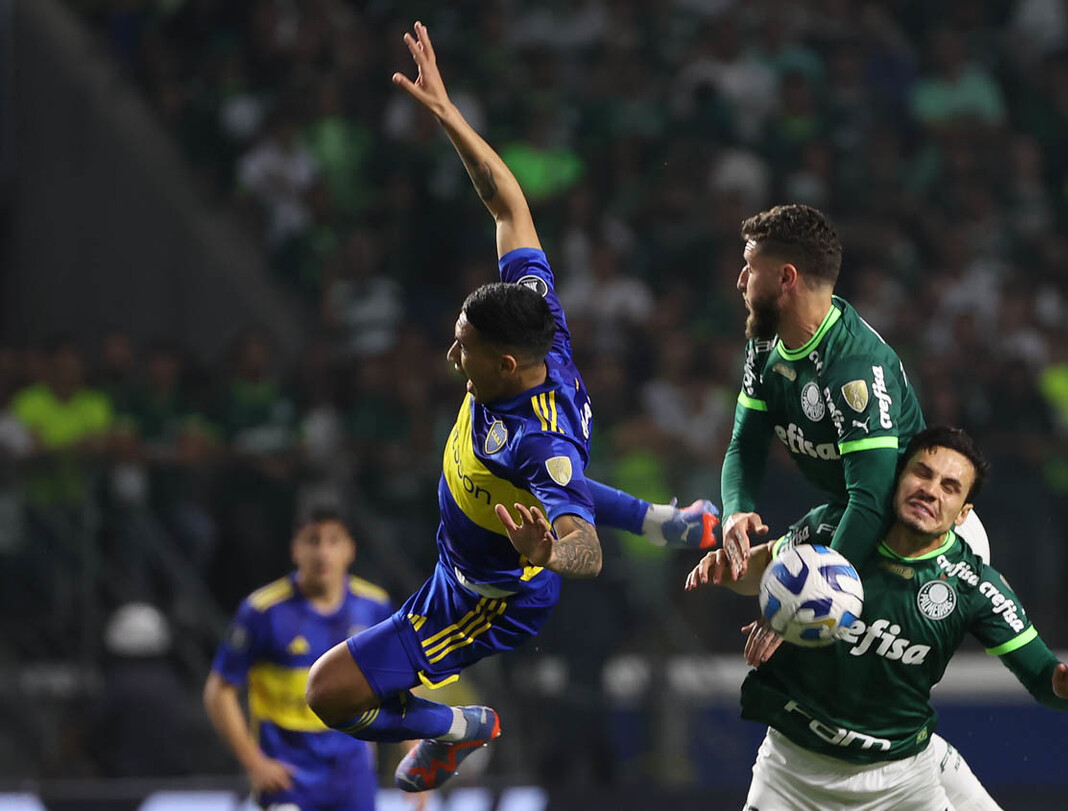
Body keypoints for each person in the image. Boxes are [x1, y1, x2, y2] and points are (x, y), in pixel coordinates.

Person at [304, 21, 713, 794]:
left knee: (330, 694)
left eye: (462, 345)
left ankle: (462, 727)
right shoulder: (536, 316)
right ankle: (665, 521)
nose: (450, 355)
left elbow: (583, 549)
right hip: (482, 534)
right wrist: (450, 117)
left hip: (485, 594)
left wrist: (543, 552)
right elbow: (507, 204)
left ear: (502, 362)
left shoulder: (537, 444)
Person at [688, 427, 1068, 810]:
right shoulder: (835, 527)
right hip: (792, 772)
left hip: (900, 781)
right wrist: (731, 571)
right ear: (897, 477)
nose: (930, 491)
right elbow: (765, 568)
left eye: (949, 487)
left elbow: (1045, 680)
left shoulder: (974, 585)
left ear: (963, 513)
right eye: (922, 474)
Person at [720, 204, 990, 580]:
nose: (740, 280)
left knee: (803, 620)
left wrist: (814, 590)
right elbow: (746, 442)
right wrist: (736, 509)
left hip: (922, 540)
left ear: (786, 278)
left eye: (750, 267)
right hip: (858, 520)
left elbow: (872, 499)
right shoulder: (765, 344)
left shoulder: (852, 366)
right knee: (740, 580)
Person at [204, 508, 419, 810]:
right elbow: (219, 692)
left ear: (350, 549)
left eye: (333, 541)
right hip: (288, 777)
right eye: (313, 541)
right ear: (296, 549)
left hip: (352, 775)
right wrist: (254, 763)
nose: (323, 553)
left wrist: (415, 757)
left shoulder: (374, 608)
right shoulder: (263, 611)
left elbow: (400, 684)